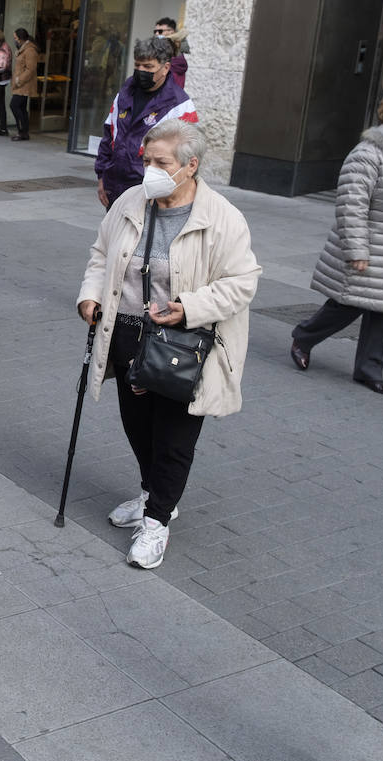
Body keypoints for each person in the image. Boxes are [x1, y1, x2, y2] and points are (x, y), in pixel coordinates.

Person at [78, 119, 260, 568]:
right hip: (125, 333)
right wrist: (90, 293)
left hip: (183, 343)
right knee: (137, 426)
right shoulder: (130, 201)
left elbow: (243, 282)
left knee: (174, 436)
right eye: (147, 161)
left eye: (161, 163)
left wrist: (189, 306)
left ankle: (157, 521)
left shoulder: (222, 218)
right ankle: (152, 494)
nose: (150, 171)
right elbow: (102, 254)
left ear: (190, 165)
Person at [290, 85, 383, 395]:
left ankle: (369, 369)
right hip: (367, 243)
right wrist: (357, 249)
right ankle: (304, 336)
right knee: (346, 304)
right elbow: (351, 204)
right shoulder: (368, 153)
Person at [95, 36, 197, 209]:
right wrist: (102, 177)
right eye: (137, 65)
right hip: (115, 187)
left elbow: (187, 157)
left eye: (148, 66)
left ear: (165, 68)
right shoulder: (124, 94)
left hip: (152, 194)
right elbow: (108, 137)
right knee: (115, 235)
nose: (141, 71)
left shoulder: (180, 105)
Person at [9, 28, 37, 141]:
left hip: (23, 84)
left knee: (14, 105)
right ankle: (23, 132)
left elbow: (30, 69)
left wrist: (18, 80)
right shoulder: (23, 49)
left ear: (21, 38)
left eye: (15, 38)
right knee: (21, 107)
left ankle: (22, 131)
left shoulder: (30, 50)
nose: (14, 40)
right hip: (20, 83)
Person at [153, 17, 189, 89]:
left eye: (160, 31)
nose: (156, 34)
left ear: (171, 32)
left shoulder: (171, 54)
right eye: (155, 31)